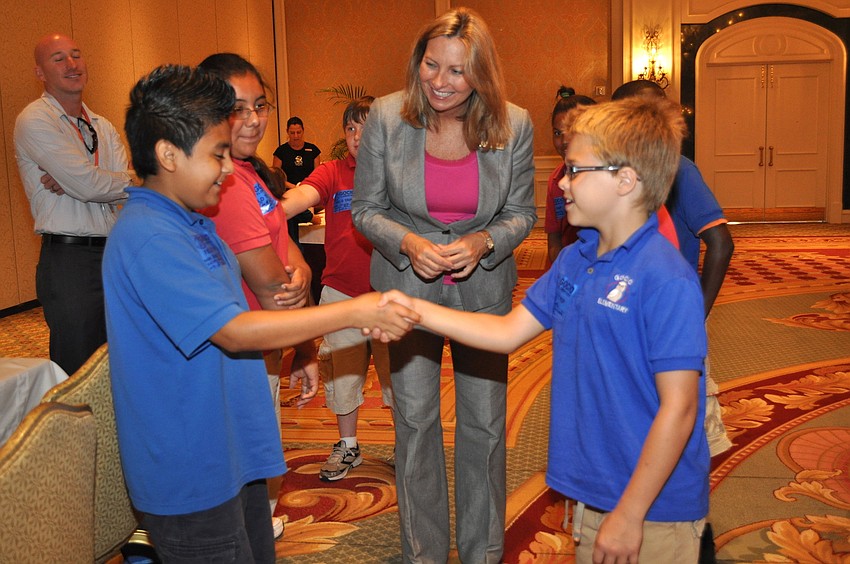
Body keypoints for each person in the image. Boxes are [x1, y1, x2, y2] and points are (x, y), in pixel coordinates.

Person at [105, 64, 418, 563]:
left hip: (231, 451)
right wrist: (353, 312)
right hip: (192, 469)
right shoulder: (151, 235)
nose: (229, 169)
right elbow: (233, 330)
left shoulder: (193, 223)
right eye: (216, 154)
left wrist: (303, 346)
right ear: (168, 155)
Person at [387, 96, 710, 564]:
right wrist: (412, 308)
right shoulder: (577, 259)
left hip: (652, 506)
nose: (560, 182)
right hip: (596, 489)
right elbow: (507, 332)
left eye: (575, 171)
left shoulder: (665, 277)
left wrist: (630, 513)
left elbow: (680, 409)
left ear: (625, 180)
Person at [351, 8, 537, 562]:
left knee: (485, 424)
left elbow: (521, 214)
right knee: (415, 422)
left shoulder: (513, 125)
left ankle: (483, 551)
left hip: (483, 292)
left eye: (457, 71)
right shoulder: (387, 117)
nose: (440, 81)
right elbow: (365, 209)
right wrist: (409, 243)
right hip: (406, 291)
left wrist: (484, 242)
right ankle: (423, 552)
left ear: (481, 73)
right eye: (432, 65)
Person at [197, 52, 316, 540]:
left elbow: (281, 240)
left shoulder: (245, 172)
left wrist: (302, 266)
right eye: (236, 108)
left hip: (262, 345)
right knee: (245, 465)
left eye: (260, 105)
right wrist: (308, 339)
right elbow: (272, 289)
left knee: (258, 458)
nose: (252, 119)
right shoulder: (225, 182)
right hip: (241, 347)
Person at [612, 79, 733, 457]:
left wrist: (698, 310)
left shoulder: (680, 170)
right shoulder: (614, 172)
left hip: (675, 311)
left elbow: (721, 243)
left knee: (689, 412)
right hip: (630, 308)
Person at [280, 96, 393, 481]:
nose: (358, 136)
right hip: (341, 293)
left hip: (389, 296)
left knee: (399, 376)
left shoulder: (398, 172)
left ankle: (408, 444)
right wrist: (270, 211)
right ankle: (348, 444)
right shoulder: (333, 172)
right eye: (351, 128)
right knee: (342, 375)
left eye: (367, 127)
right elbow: (302, 195)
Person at [14, 33, 130, 375]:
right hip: (70, 262)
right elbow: (90, 185)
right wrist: (93, 181)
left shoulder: (103, 126)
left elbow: (104, 184)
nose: (71, 64)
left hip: (114, 253)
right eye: (59, 58)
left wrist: (81, 180)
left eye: (76, 55)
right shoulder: (35, 120)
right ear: (40, 73)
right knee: (78, 370)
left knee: (121, 362)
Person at [545, 87, 596, 264]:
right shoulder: (556, 180)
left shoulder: (609, 180)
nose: (565, 141)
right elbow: (554, 237)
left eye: (573, 131)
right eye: (557, 133)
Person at [272, 116, 321, 245]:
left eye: (298, 132)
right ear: (287, 132)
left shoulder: (313, 150)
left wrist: (305, 186)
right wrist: (294, 187)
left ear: (303, 131)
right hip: (288, 194)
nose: (296, 136)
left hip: (309, 193)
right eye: (292, 133)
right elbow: (276, 177)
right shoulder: (281, 152)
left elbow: (317, 175)